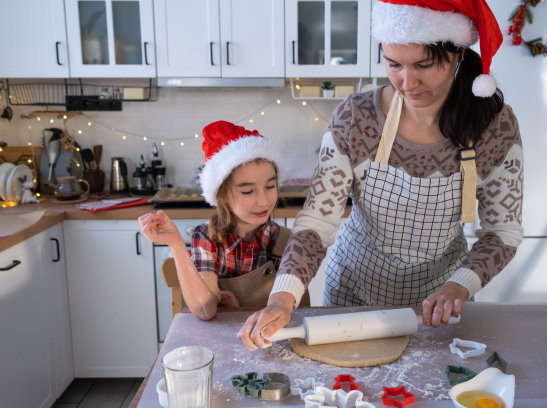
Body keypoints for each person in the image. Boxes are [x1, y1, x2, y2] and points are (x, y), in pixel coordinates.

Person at [238, 0, 523, 349]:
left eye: (423, 65)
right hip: (353, 296)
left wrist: (458, 286)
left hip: (440, 303)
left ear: (459, 53)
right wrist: (281, 299)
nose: (408, 82)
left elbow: (503, 232)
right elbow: (317, 222)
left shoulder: (493, 124)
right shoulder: (356, 118)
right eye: (394, 64)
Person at [139, 120, 290, 321]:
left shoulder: (284, 240)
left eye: (270, 187)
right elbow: (204, 310)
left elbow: (300, 311)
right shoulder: (207, 238)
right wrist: (176, 244)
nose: (263, 201)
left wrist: (240, 311)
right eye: (247, 191)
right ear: (222, 195)